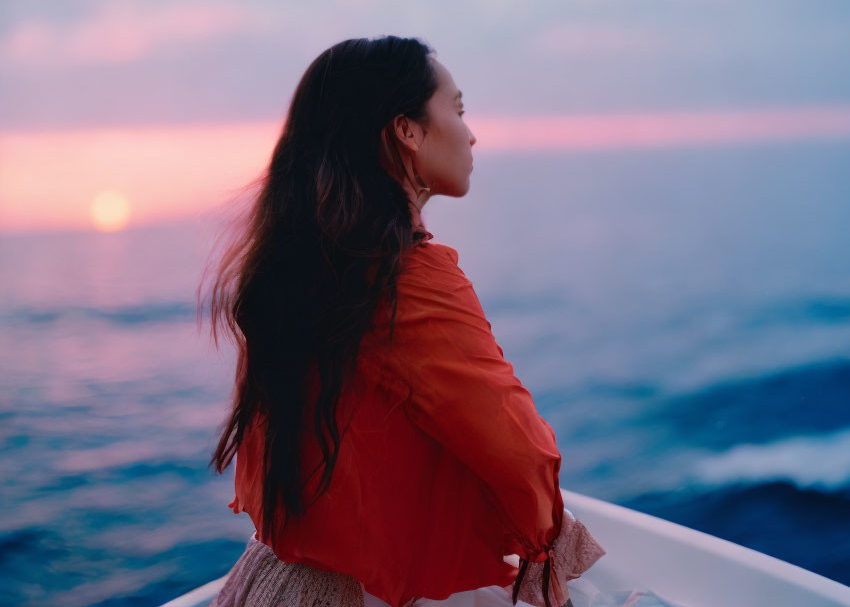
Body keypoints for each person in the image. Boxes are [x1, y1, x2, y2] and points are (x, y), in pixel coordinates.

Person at [198, 35, 606, 607]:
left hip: (274, 580)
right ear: (407, 131)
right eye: (458, 110)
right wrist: (552, 546)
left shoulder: (302, 267)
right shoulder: (404, 276)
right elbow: (519, 449)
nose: (470, 132)